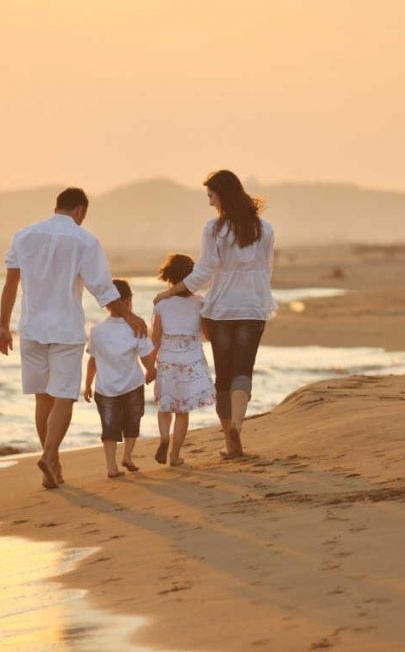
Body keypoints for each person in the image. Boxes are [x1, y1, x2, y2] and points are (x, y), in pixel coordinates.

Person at [0, 187, 148, 489]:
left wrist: (3, 326)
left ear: (58, 207)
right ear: (80, 211)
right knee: (64, 395)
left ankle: (49, 464)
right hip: (65, 329)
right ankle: (50, 454)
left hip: (31, 327)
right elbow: (103, 289)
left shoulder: (23, 236)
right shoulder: (85, 240)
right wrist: (129, 315)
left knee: (43, 396)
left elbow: (11, 285)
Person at [153, 170, 275, 458]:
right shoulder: (265, 229)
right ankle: (237, 426)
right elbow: (267, 270)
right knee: (243, 371)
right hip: (253, 308)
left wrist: (169, 293)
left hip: (220, 310)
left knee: (224, 375)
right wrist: (257, 296)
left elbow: (203, 273)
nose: (209, 202)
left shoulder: (214, 229)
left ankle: (230, 440)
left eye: (211, 196)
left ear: (223, 195)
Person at [83, 279, 156, 478]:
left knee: (109, 427)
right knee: (133, 422)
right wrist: (152, 371)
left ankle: (112, 466)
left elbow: (92, 361)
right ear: (129, 300)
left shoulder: (97, 331)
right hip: (131, 385)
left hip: (106, 388)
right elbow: (145, 357)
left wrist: (87, 384)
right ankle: (127, 457)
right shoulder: (137, 326)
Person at [150, 253, 216, 466]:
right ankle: (175, 455)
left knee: (165, 406)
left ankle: (163, 438)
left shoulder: (161, 304)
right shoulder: (200, 302)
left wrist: (149, 365)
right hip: (192, 359)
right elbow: (207, 334)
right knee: (182, 411)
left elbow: (156, 339)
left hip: (168, 358)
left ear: (168, 276)